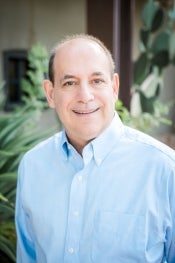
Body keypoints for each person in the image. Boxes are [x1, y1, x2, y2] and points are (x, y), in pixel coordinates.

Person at [15, 34, 175, 263]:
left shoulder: (165, 170)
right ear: (50, 93)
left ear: (114, 87)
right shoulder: (32, 166)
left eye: (96, 81)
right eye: (69, 83)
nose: (85, 96)